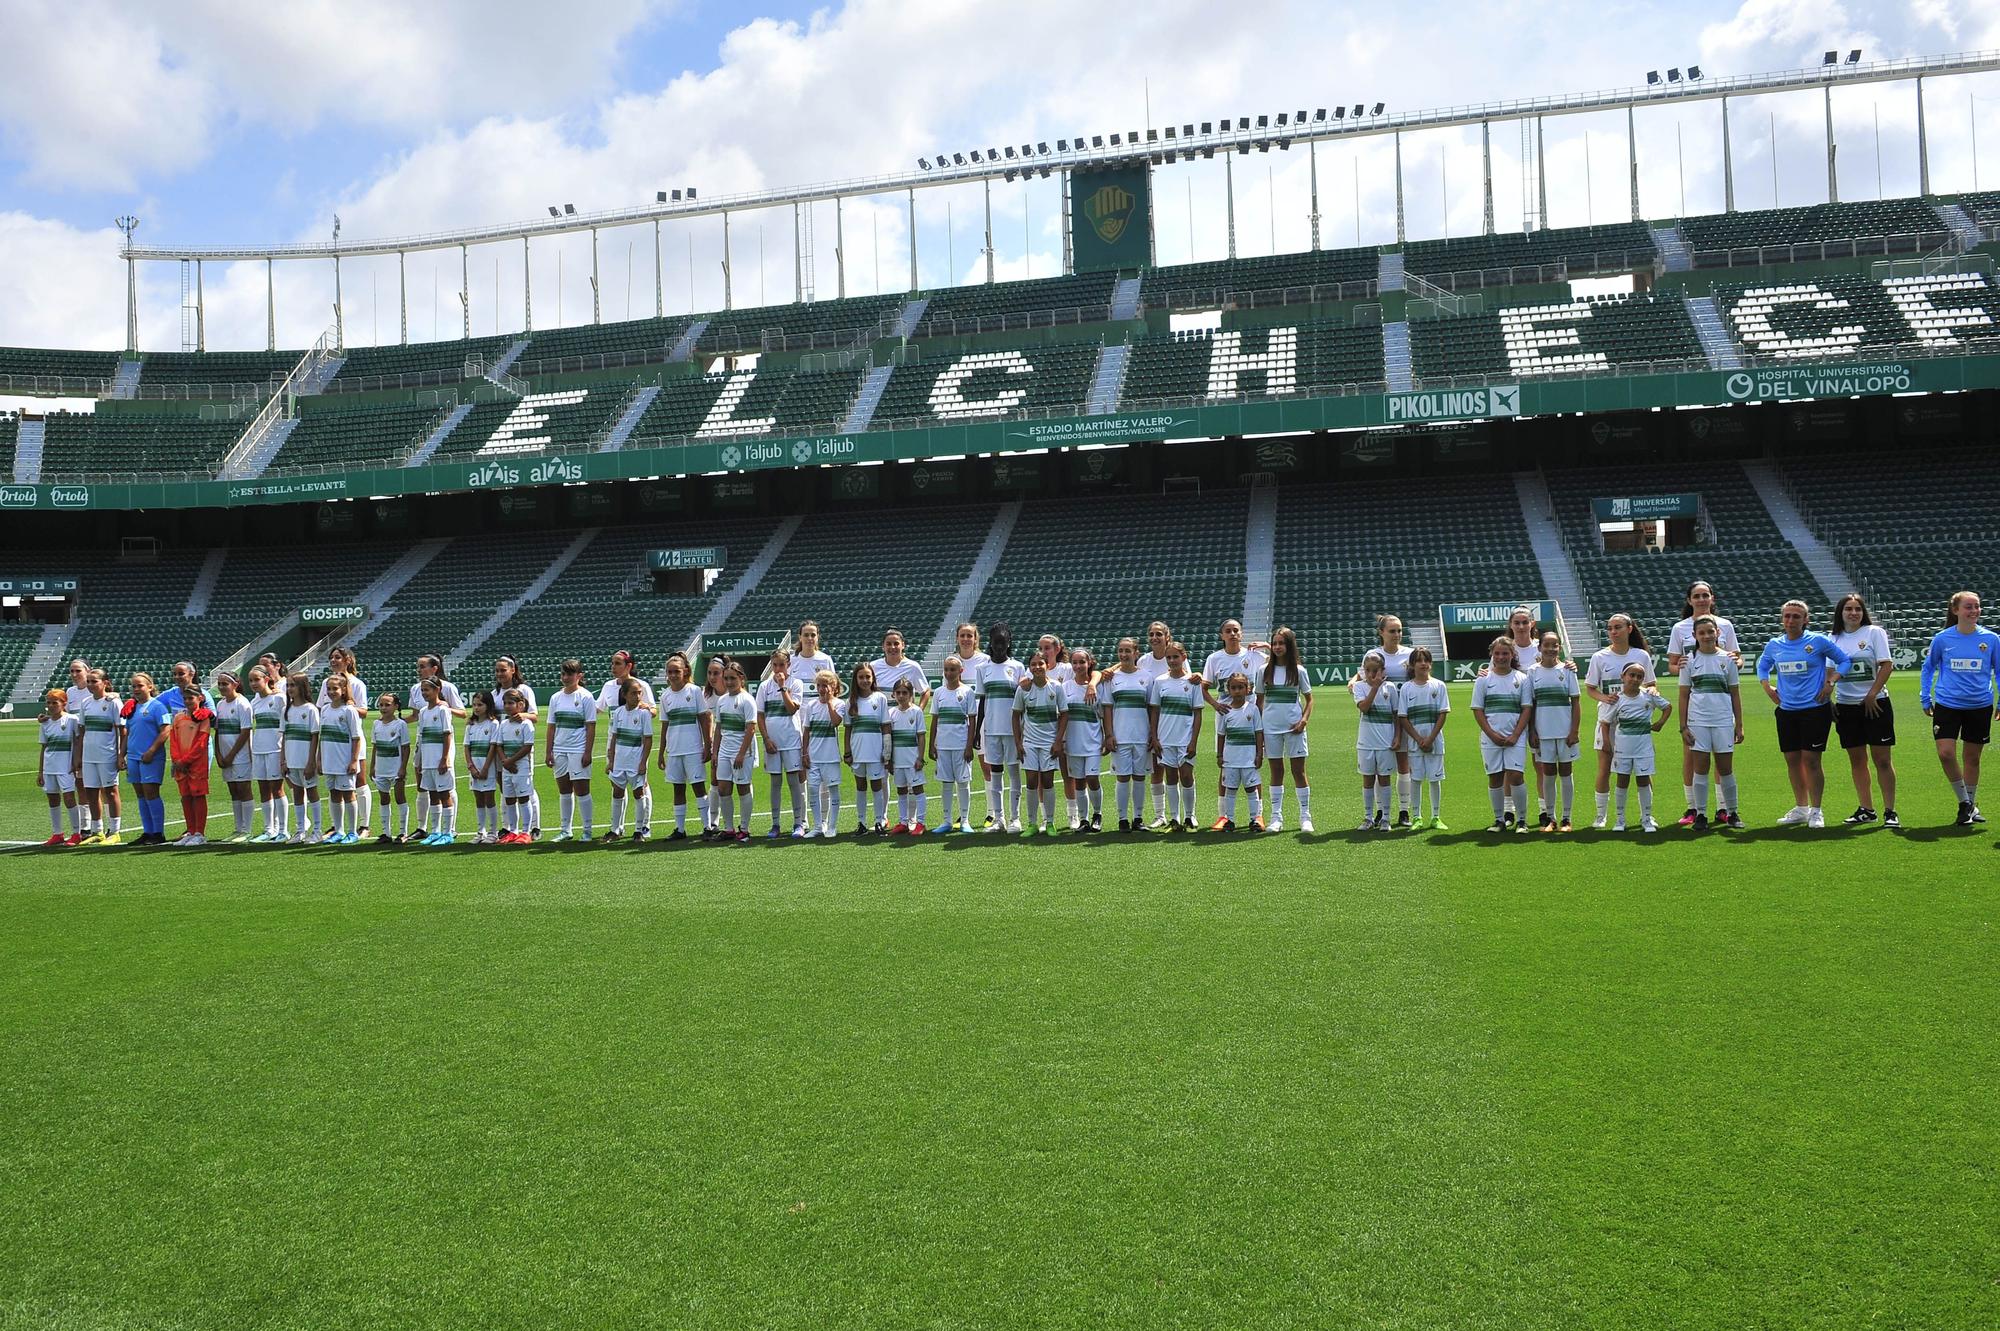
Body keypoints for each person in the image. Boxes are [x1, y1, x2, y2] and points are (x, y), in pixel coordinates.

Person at [1755, 599, 1850, 830]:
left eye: (1796, 616)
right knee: (1792, 760)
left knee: (1811, 760)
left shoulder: (1817, 641)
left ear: (1805, 620)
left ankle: (1816, 810)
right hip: (1787, 711)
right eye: (1787, 616)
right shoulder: (1774, 644)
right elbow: (1762, 666)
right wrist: (1767, 687)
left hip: (1815, 710)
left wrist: (1831, 682)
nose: (1790, 620)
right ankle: (1801, 808)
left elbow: (1844, 661)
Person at [1921, 590, 2000, 826]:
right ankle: (1965, 802)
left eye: (1977, 606)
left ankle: (1969, 805)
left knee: (1972, 758)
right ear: (1956, 611)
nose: (1974, 611)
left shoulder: (1992, 639)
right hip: (1948, 704)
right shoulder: (1943, 639)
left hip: (1980, 705)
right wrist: (1925, 697)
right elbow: (1928, 668)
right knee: (1945, 753)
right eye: (1968, 607)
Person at [1665, 582, 1739, 825]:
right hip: (1696, 701)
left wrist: (1732, 664)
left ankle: (1722, 808)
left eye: (1705, 595)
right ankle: (1693, 808)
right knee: (1693, 757)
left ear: (1712, 598)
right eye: (1696, 596)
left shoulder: (1725, 625)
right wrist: (1687, 667)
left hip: (1719, 702)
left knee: (1722, 758)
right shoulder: (1680, 628)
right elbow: (1672, 665)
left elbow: (1734, 659)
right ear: (1689, 600)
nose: (1701, 599)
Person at [1830, 593, 1898, 829]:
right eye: (1848, 609)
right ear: (1840, 613)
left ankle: (1890, 810)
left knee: (1882, 760)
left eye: (1857, 609)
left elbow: (1886, 665)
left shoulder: (1873, 633)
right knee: (1857, 760)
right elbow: (1829, 673)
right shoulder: (1833, 638)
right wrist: (1829, 699)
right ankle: (1866, 809)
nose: (1853, 613)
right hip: (1846, 707)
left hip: (1876, 704)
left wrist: (1872, 694)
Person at [1584, 614, 1655, 829]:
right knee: (1605, 768)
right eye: (1610, 628)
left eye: (1618, 627)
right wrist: (1605, 698)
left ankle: (1647, 816)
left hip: (1634, 724)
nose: (1614, 632)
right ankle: (1601, 815)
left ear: (1629, 629)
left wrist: (1650, 691)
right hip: (1608, 721)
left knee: (1643, 770)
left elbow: (1652, 684)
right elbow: (1590, 688)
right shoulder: (1600, 657)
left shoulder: (1641, 655)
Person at [1471, 636, 1532, 834]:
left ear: (1512, 655)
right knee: (1495, 778)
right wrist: (1491, 734)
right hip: (1491, 738)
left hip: (1516, 737)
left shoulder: (1521, 679)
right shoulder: (1483, 680)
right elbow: (1478, 710)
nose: (1501, 657)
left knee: (1516, 776)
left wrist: (1515, 734)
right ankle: (1498, 820)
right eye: (1497, 653)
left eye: (1505, 653)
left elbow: (1526, 709)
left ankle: (1522, 820)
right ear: (1491, 655)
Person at [1258, 626, 1314, 834]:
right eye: (1275, 643)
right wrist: (1261, 729)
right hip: (1271, 728)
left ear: (1289, 646)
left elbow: (1309, 699)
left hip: (1295, 728)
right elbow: (1259, 701)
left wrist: (1303, 721)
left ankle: (1305, 817)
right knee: (1276, 772)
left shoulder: (1299, 671)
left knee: (1298, 771)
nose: (1277, 647)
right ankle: (1276, 817)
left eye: (1282, 643)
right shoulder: (1263, 671)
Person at [1526, 632, 1581, 832]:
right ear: (1539, 647)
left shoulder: (1567, 670)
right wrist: (1532, 731)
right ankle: (1551, 818)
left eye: (1555, 645)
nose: (1550, 649)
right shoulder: (1532, 671)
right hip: (1543, 733)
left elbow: (1575, 702)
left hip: (1565, 732)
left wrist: (1574, 730)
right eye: (1547, 645)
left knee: (1566, 772)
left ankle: (1567, 818)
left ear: (1559, 647)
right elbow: (1530, 704)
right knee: (1547, 774)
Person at [1609, 663, 1673, 833]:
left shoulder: (1649, 695)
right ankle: (1620, 819)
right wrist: (1609, 745)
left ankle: (1646, 818)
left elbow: (1667, 707)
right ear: (1623, 676)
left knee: (1643, 781)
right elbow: (1606, 722)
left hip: (1644, 747)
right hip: (1622, 748)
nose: (1635, 679)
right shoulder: (1617, 699)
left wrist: (1659, 723)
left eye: (1639, 676)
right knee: (1622, 781)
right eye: (1632, 675)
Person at [974, 624, 1025, 832]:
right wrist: (977, 730)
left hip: (1013, 731)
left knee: (1014, 774)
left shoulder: (1018, 667)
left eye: (1003, 642)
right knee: (995, 774)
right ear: (991, 643)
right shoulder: (982, 669)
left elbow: (1022, 702)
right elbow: (983, 703)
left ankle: (1015, 818)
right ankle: (999, 819)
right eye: (996, 642)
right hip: (992, 730)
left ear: (1009, 643)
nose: (1000, 647)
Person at [655, 652, 711, 841]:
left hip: (693, 748)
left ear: (685, 670)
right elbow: (664, 725)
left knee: (698, 787)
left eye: (676, 671)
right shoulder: (665, 696)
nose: (672, 675)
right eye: (669, 672)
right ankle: (680, 829)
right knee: (677, 789)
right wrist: (661, 752)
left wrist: (707, 745)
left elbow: (704, 718)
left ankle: (707, 826)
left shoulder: (694, 691)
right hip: (674, 750)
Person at [1149, 641, 1204, 832]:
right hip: (1165, 739)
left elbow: (1197, 714)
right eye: (1169, 657)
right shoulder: (1160, 681)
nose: (1172, 660)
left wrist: (1194, 741)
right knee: (1170, 777)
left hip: (1185, 738)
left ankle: (1190, 816)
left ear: (1184, 657)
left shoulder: (1192, 682)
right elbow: (1155, 711)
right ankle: (1175, 818)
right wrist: (1155, 737)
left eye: (1175, 657)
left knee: (1187, 776)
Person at [317, 648, 372, 837]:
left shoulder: (357, 683)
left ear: (348, 660)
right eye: (331, 657)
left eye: (337, 657)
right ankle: (337, 826)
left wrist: (348, 707)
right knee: (334, 788)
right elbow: (320, 708)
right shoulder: (327, 682)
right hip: (332, 743)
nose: (333, 660)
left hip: (350, 739)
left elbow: (364, 711)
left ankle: (363, 825)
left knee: (359, 781)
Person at [1396, 647, 1451, 830]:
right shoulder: (1406, 688)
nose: (1423, 664)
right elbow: (1403, 717)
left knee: (1435, 779)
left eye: (1426, 660)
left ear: (1431, 663)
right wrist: (1419, 739)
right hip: (1415, 744)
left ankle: (1436, 816)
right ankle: (1417, 816)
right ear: (1412, 665)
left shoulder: (1439, 685)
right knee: (1416, 779)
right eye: (1419, 660)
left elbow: (1443, 714)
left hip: (1435, 742)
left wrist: (1430, 738)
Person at [756, 649, 807, 839]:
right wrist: (766, 739)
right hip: (772, 743)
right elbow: (760, 715)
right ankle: (775, 824)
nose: (778, 668)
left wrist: (783, 687)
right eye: (775, 664)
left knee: (794, 782)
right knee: (775, 782)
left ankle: (798, 823)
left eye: (781, 665)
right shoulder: (763, 687)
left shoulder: (796, 683)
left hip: (792, 740)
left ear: (788, 665)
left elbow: (792, 709)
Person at [1014, 653, 1067, 837]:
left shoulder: (1056, 687)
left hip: (1049, 743)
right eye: (1033, 664)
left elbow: (1065, 714)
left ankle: (1050, 822)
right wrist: (1018, 743)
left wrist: (1058, 740)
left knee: (1047, 781)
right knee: (1030, 781)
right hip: (1029, 742)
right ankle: (1032, 823)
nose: (1037, 667)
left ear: (1047, 665)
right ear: (1029, 668)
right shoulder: (1023, 689)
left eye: (1040, 663)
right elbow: (1016, 715)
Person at [546, 658, 599, 842]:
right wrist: (548, 751)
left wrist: (587, 752)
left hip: (578, 749)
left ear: (579, 676)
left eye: (570, 674)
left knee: (582, 790)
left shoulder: (585, 697)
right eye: (563, 673)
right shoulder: (555, 698)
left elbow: (591, 727)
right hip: (560, 749)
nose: (566, 677)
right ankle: (565, 830)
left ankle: (587, 830)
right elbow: (551, 726)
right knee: (564, 790)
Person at [1373, 615, 1419, 826]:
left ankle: (1403, 810)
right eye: (1392, 631)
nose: (1397, 635)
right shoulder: (1373, 654)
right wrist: (1353, 681)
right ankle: (1381, 811)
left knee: (1404, 764)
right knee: (1379, 768)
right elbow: (1364, 676)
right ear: (1381, 632)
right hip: (1381, 719)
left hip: (1405, 717)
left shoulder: (1409, 655)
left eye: (1399, 630)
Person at [119, 672, 172, 846]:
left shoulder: (157, 707)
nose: (136, 689)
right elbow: (127, 733)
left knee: (151, 793)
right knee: (140, 794)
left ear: (150, 686)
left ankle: (158, 833)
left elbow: (165, 730)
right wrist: (122, 754)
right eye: (133, 686)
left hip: (151, 757)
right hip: (134, 757)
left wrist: (151, 751)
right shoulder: (132, 708)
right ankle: (147, 832)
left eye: (140, 685)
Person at [928, 655, 978, 834]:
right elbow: (934, 720)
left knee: (963, 783)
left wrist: (969, 746)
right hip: (943, 746)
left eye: (953, 669)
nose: (949, 673)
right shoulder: (939, 692)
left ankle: (965, 820)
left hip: (960, 745)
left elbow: (972, 720)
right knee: (946, 783)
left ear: (960, 671)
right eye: (946, 669)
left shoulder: (967, 692)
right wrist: (931, 745)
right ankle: (947, 821)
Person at [492, 655, 541, 837]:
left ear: (513, 670)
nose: (500, 674)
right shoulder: (494, 694)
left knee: (526, 788)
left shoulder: (524, 690)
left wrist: (524, 716)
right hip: (501, 746)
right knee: (505, 787)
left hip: (521, 746)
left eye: (503, 670)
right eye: (497, 670)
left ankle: (533, 827)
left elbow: (535, 716)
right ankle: (508, 827)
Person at [1351, 652, 1399, 832]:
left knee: (1385, 779)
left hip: (1385, 742)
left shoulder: (1391, 688)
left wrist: (1397, 737)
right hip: (1366, 743)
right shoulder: (1359, 687)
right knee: (1368, 779)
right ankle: (1368, 817)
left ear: (1382, 670)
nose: (1372, 674)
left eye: (1375, 670)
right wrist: (1374, 688)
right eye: (1368, 670)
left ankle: (1386, 818)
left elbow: (1396, 715)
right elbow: (1364, 707)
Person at [713, 658, 759, 843]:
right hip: (724, 751)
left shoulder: (747, 700)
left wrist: (741, 754)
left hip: (742, 752)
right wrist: (715, 751)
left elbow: (750, 729)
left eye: (733, 678)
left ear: (741, 678)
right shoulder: (722, 701)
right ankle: (729, 828)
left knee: (742, 788)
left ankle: (745, 829)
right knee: (723, 788)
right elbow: (718, 728)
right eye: (727, 678)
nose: (729, 682)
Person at [604, 679, 654, 842]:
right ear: (624, 695)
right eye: (633, 693)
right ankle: (615, 829)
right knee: (617, 792)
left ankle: (639, 830)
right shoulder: (618, 712)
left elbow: (648, 740)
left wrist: (643, 762)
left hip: (635, 761)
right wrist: (611, 761)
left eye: (639, 692)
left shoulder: (643, 714)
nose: (638, 696)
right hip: (619, 761)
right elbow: (614, 738)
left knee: (638, 793)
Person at [77, 669, 123, 845]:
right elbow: (81, 732)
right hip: (89, 756)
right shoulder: (86, 703)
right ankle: (98, 831)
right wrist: (79, 757)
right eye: (88, 681)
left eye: (94, 681)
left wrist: (120, 754)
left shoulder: (114, 703)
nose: (90, 685)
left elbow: (122, 730)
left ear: (105, 682)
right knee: (91, 792)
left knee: (111, 791)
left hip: (108, 754)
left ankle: (115, 831)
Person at [1136, 621, 1174, 828]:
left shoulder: (1175, 656)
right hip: (1149, 717)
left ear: (1167, 636)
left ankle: (1182, 813)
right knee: (1156, 767)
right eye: (1151, 634)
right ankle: (1160, 814)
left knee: (1177, 767)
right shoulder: (1143, 661)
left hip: (1171, 717)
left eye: (1159, 634)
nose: (1154, 638)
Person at [1215, 673, 1264, 833]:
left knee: (1251, 789)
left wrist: (1259, 754)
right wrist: (1220, 755)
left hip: (1249, 759)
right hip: (1231, 760)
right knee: (1230, 789)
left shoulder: (1253, 709)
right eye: (1233, 688)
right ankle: (1229, 820)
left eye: (1240, 687)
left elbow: (1258, 733)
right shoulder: (1225, 711)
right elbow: (1221, 735)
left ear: (1247, 689)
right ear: (1228, 690)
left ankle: (1254, 819)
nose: (1237, 691)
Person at [1061, 647, 1104, 833]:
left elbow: (1104, 714)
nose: (1078, 666)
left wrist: (1107, 736)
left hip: (1093, 741)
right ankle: (1084, 819)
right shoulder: (1065, 687)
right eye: (1075, 662)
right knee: (1078, 781)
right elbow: (1061, 716)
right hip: (1072, 742)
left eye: (1082, 662)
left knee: (1092, 778)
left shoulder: (1098, 687)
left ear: (1089, 663)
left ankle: (1097, 814)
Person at [801, 669, 847, 838]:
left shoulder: (840, 704)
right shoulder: (811, 705)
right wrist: (804, 753)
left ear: (833, 686)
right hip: (813, 758)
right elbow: (806, 731)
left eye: (825, 685)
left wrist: (829, 703)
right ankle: (818, 826)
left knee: (833, 791)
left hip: (831, 757)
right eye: (819, 685)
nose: (821, 689)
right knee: (813, 790)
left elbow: (836, 722)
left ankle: (832, 826)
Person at [211, 672, 256, 842]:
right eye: (220, 684)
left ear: (235, 684)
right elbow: (217, 731)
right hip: (225, 755)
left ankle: (247, 830)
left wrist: (231, 755)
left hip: (240, 755)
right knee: (233, 791)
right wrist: (218, 753)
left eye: (225, 684)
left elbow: (245, 732)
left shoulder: (243, 704)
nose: (222, 687)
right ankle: (238, 829)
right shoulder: (221, 704)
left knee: (244, 789)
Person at [319, 675, 363, 844]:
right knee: (334, 794)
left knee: (348, 794)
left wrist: (353, 761)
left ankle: (352, 832)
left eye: (335, 688)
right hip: (329, 760)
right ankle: (338, 831)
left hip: (344, 761)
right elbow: (322, 737)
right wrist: (319, 759)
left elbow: (356, 738)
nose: (331, 692)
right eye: (329, 689)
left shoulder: (349, 710)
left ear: (344, 690)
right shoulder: (324, 709)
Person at [281, 672, 323, 845]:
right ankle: (300, 830)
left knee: (312, 792)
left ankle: (318, 830)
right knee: (297, 793)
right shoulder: (286, 710)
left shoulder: (310, 709)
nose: (290, 689)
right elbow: (284, 737)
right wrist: (282, 760)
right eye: (288, 685)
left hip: (305, 760)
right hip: (291, 759)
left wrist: (311, 761)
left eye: (293, 685)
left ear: (302, 687)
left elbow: (315, 736)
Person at [37, 688, 83, 846]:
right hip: (49, 768)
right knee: (52, 799)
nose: (51, 706)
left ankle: (76, 833)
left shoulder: (72, 720)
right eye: (48, 703)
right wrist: (40, 772)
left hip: (66, 767)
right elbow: (44, 748)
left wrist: (75, 761)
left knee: (69, 798)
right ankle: (57, 834)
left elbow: (78, 742)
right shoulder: (45, 723)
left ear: (64, 703)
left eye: (55, 702)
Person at [414, 677, 456, 845]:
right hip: (428, 761)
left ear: (437, 689)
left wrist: (445, 758)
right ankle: (435, 831)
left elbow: (447, 734)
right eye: (422, 690)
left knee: (445, 795)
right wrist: (422, 761)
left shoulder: (443, 710)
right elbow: (423, 737)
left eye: (427, 690)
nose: (425, 693)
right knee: (433, 796)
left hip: (440, 761)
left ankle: (447, 833)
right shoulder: (423, 711)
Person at [247, 666, 287, 842]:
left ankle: (283, 830)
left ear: (267, 679)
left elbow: (286, 726)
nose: (254, 683)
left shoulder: (279, 698)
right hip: (259, 749)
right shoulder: (254, 702)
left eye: (257, 679)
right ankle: (269, 829)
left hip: (275, 749)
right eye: (251, 680)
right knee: (263, 789)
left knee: (277, 789)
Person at [167, 694, 213, 847]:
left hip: (196, 764)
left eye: (190, 698)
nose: (187, 701)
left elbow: (201, 743)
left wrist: (186, 760)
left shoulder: (203, 718)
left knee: (198, 796)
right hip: (181, 764)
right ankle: (191, 831)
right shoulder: (179, 717)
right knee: (185, 796)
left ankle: (200, 833)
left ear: (200, 698)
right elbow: (173, 739)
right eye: (185, 699)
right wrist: (177, 759)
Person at [887, 676, 928, 835]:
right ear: (894, 694)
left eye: (905, 692)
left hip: (912, 760)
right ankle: (903, 822)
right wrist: (889, 759)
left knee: (918, 789)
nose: (901, 696)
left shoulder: (916, 711)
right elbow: (889, 738)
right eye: (898, 692)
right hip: (898, 760)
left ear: (911, 694)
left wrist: (920, 757)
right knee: (901, 790)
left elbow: (921, 736)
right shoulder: (891, 713)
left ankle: (921, 822)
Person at [370, 692, 412, 844]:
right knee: (383, 798)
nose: (384, 708)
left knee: (400, 798)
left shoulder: (400, 724)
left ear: (395, 706)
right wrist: (372, 766)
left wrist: (403, 768)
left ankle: (402, 832)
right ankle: (386, 833)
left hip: (395, 768)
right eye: (381, 704)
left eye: (387, 705)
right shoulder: (376, 724)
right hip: (381, 768)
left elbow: (406, 748)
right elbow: (375, 747)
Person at [495, 689, 536, 844]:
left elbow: (527, 746)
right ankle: (513, 830)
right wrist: (505, 761)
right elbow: (499, 745)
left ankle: (526, 832)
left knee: (523, 798)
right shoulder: (504, 724)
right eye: (505, 703)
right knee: (509, 798)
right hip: (507, 767)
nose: (507, 706)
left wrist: (511, 761)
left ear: (521, 704)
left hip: (521, 767)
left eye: (511, 703)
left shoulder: (526, 724)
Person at [464, 691, 502, 845]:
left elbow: (492, 747)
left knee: (489, 798)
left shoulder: (493, 723)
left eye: (480, 705)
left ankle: (493, 833)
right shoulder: (470, 725)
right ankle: (481, 831)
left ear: (488, 705)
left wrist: (486, 768)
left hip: (487, 768)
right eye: (474, 705)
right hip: (474, 768)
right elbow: (466, 747)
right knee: (478, 799)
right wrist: (471, 767)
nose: (476, 708)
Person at [870, 629, 929, 707]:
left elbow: (925, 691)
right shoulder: (873, 666)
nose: (893, 647)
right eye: (888, 644)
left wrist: (918, 712)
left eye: (896, 643)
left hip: (904, 718)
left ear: (903, 645)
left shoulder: (912, 667)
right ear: (883, 646)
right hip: (879, 718)